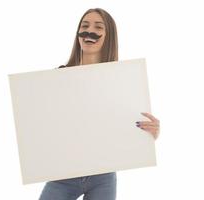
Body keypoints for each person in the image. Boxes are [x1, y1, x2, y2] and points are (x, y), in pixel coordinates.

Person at [39, 8, 160, 200]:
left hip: (103, 175)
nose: (89, 31)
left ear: (109, 35)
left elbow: (124, 125)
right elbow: (46, 124)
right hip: (63, 174)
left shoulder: (122, 81)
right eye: (84, 26)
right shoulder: (58, 78)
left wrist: (147, 135)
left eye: (98, 26)